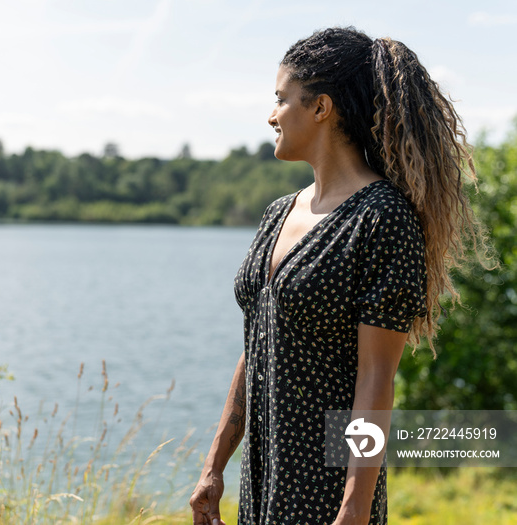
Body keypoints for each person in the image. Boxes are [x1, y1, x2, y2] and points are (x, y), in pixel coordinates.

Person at [189, 27, 485, 525]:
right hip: (263, 481)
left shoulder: (381, 217)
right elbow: (258, 340)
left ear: (321, 107)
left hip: (326, 490)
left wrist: (354, 509)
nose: (271, 115)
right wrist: (214, 468)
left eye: (282, 99)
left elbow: (376, 381)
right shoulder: (277, 214)